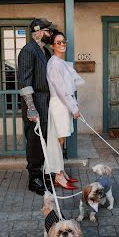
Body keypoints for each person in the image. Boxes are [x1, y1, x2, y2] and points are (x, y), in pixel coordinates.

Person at [18, 18, 56, 196]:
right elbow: (25, 81)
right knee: (34, 141)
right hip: (34, 102)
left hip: (46, 101)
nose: (51, 35)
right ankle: (34, 179)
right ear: (39, 32)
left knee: (46, 139)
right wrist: (31, 107)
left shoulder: (45, 52)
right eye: (49, 32)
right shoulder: (28, 51)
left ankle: (45, 174)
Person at [45, 30, 85, 189]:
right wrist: (74, 108)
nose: (62, 45)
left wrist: (73, 106)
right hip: (59, 104)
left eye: (63, 42)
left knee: (62, 140)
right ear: (52, 46)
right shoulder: (54, 63)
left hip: (63, 104)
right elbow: (61, 90)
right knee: (58, 140)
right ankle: (58, 175)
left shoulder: (61, 62)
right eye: (58, 42)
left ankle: (61, 171)